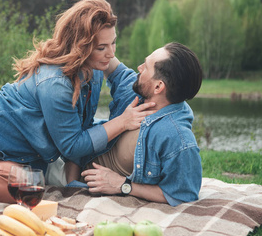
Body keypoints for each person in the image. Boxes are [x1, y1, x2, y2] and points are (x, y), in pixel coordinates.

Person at [0, 0, 156, 207]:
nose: (111, 54)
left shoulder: (95, 64)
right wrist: (122, 122)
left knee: (27, 189)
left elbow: (124, 79)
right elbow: (72, 145)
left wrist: (161, 92)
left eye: (113, 43)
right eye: (102, 47)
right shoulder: (56, 83)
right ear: (80, 46)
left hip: (14, 155)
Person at [72, 42, 203, 207]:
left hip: (79, 183)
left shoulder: (178, 139)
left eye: (146, 67)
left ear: (158, 87)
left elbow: (183, 195)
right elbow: (114, 68)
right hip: (68, 161)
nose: (139, 68)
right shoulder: (137, 92)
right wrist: (96, 38)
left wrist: (123, 185)